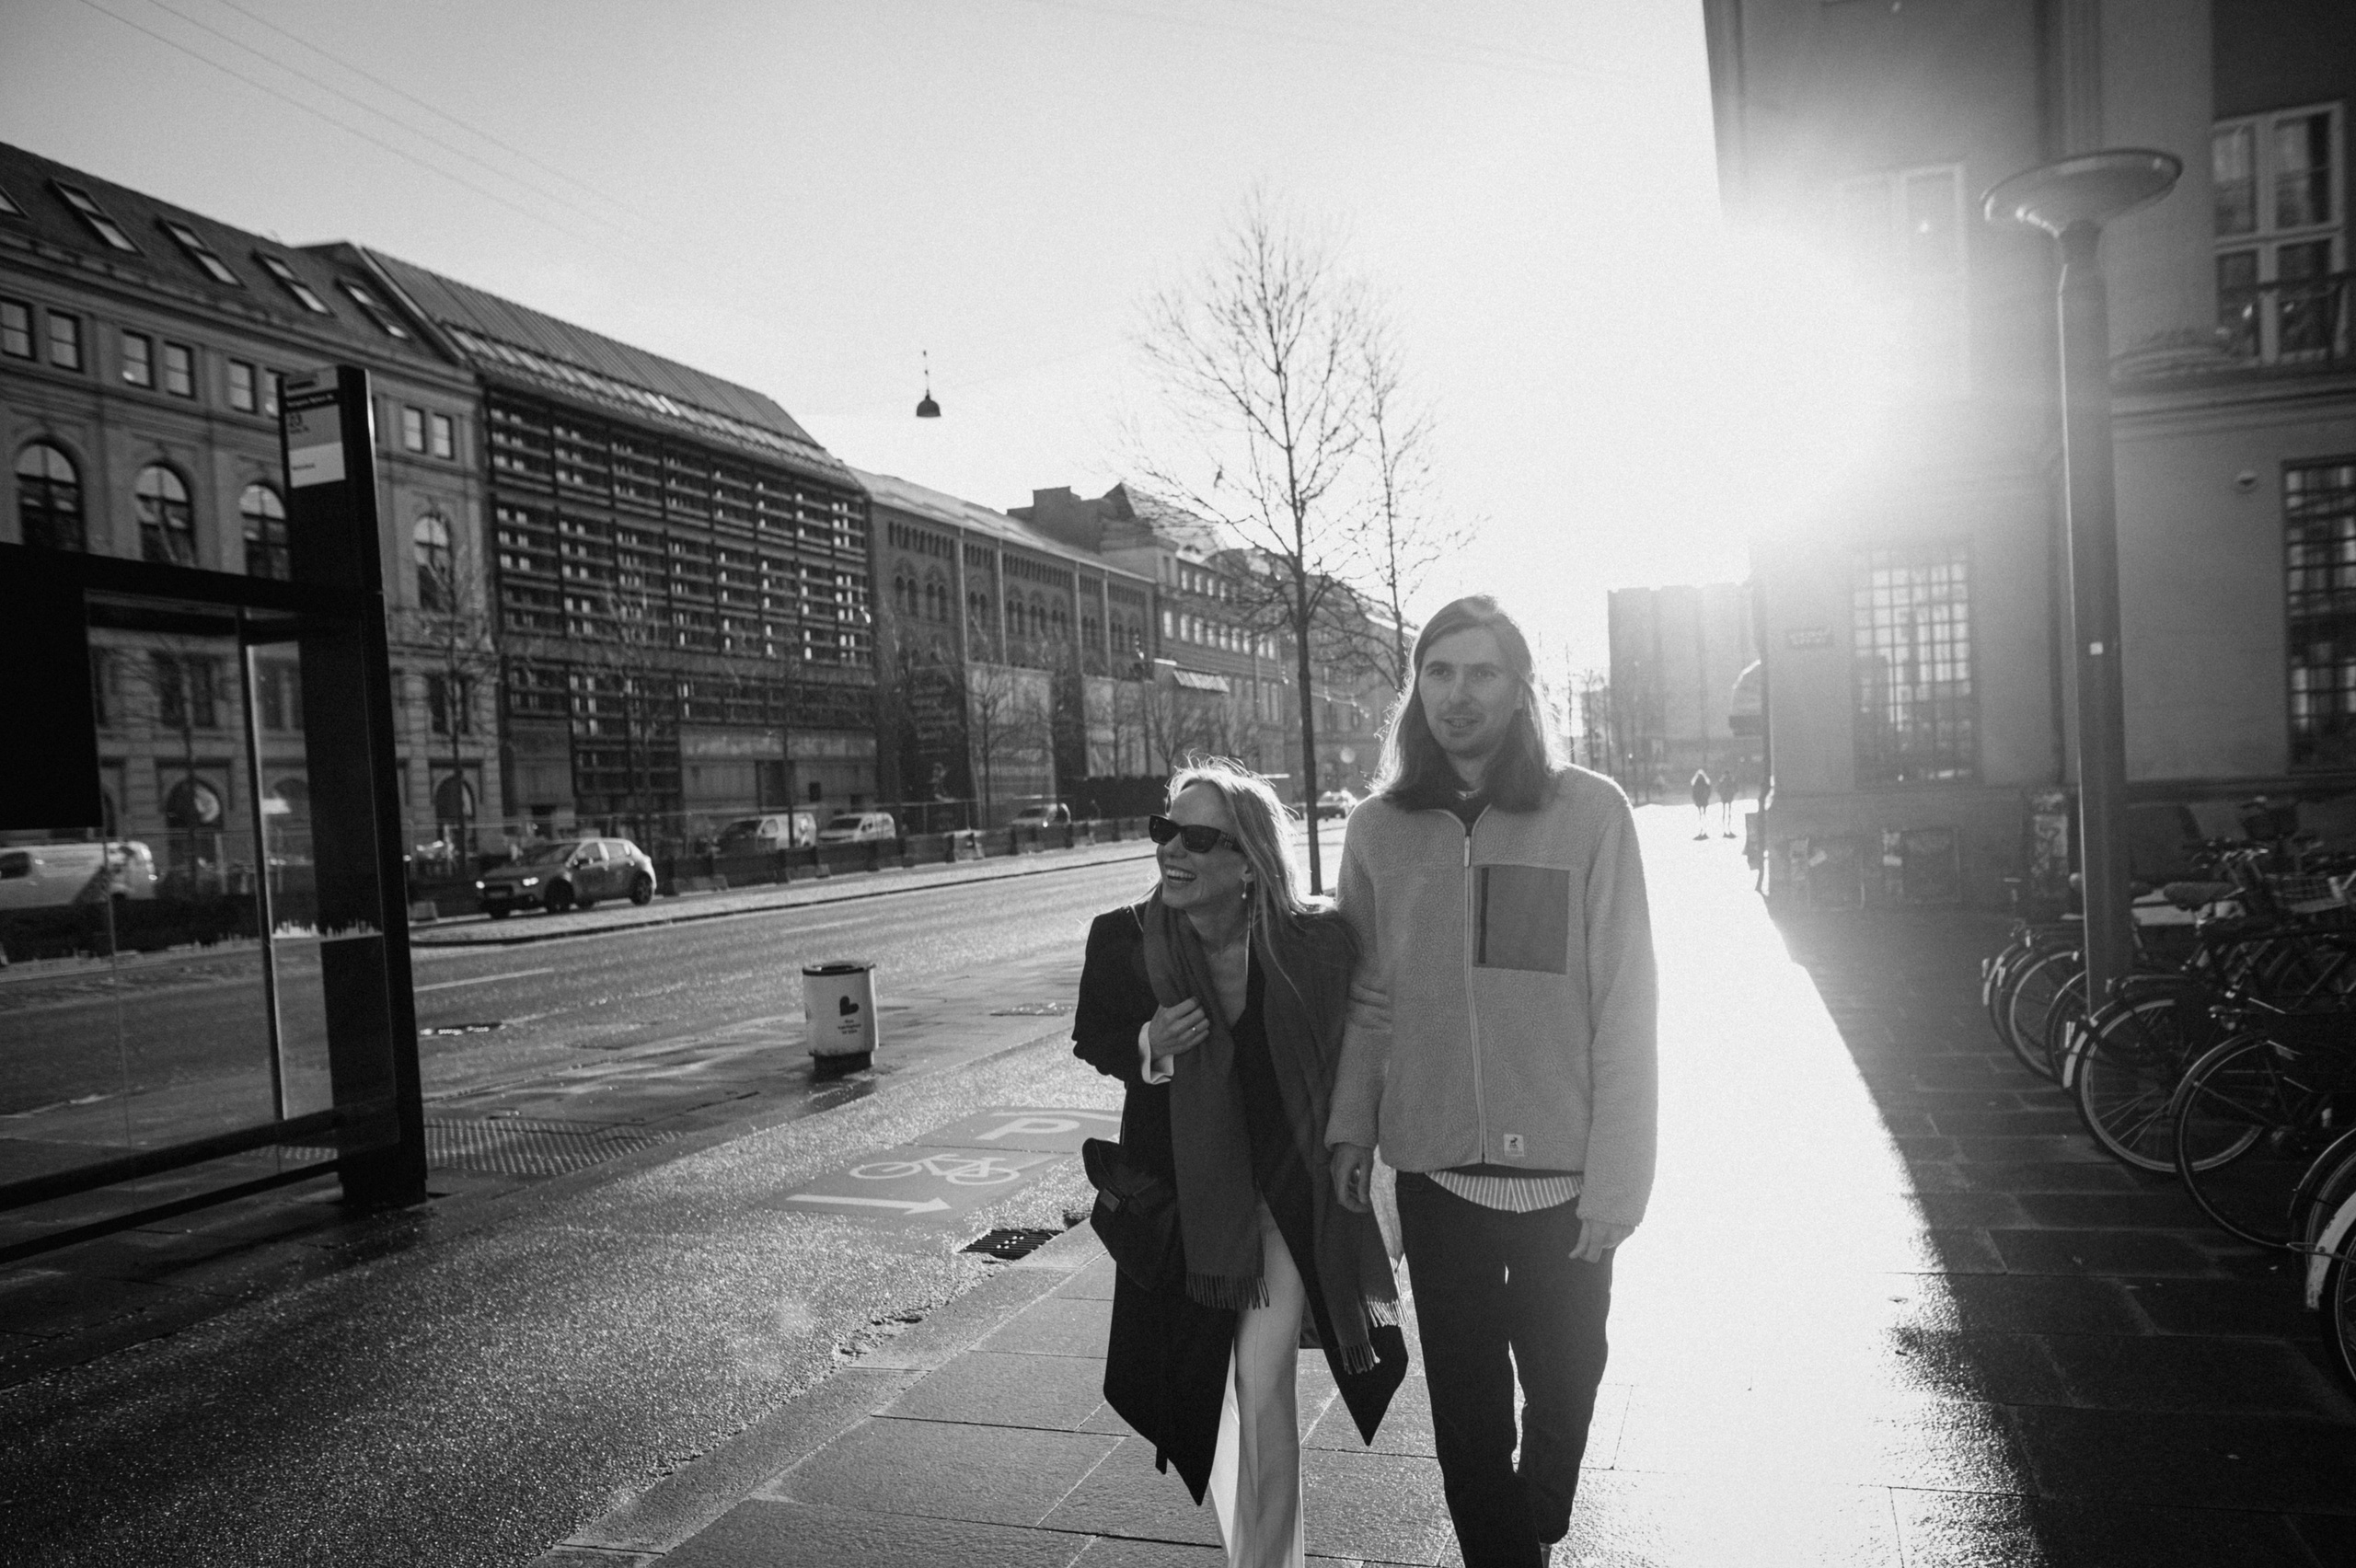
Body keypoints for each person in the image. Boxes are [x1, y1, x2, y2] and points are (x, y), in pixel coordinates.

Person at [1327, 596, 1658, 1568]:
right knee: (1468, 1427)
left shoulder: (1588, 812)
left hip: (1566, 1180)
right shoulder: (1379, 829)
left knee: (1565, 1385)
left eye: (1481, 673)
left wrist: (1619, 1182)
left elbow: (1626, 1006)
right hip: (1439, 1175)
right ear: (1415, 691)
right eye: (1438, 672)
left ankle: (1533, 1517)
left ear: (1519, 691)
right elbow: (1367, 1000)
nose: (1457, 694)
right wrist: (1352, 1129)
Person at [1074, 759, 1407, 1568]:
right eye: (1164, 830)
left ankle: (1268, 1561)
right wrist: (1150, 1044)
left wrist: (1365, 1148)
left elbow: (1371, 1034)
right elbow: (1095, 1036)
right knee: (1202, 1394)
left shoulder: (1314, 946)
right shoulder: (1124, 940)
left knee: (1262, 1387)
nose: (1170, 850)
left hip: (1285, 1207)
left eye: (1196, 838)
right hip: (1184, 1212)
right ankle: (1256, 1548)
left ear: (1249, 860)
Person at [1689, 767, 1712, 839]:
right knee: (1704, 815)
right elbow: (1709, 791)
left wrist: (1695, 799)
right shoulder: (1705, 783)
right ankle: (1704, 831)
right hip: (1704, 800)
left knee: (1700, 815)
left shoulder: (1696, 783)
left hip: (1699, 800)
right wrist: (1706, 798)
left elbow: (1694, 793)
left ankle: (1701, 830)